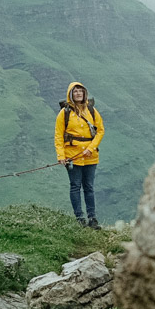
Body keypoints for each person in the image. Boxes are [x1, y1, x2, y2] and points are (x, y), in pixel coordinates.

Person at [54, 82, 105, 229]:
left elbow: (100, 130)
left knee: (89, 187)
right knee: (75, 186)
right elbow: (58, 135)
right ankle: (79, 218)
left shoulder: (91, 110)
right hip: (73, 156)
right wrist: (61, 155)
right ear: (70, 94)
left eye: (80, 91)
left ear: (84, 93)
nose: (78, 93)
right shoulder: (64, 113)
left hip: (91, 156)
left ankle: (92, 218)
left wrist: (91, 147)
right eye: (75, 91)